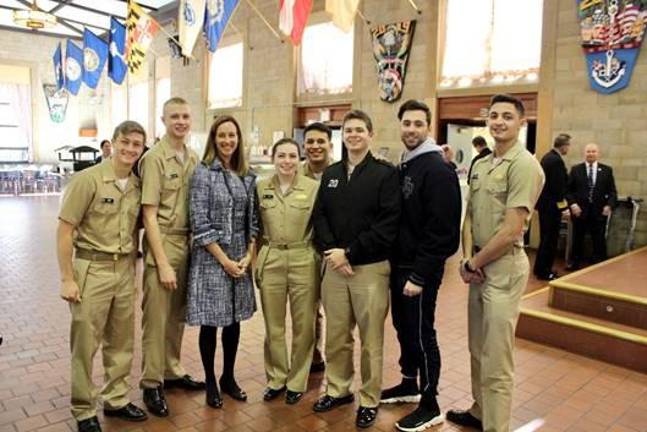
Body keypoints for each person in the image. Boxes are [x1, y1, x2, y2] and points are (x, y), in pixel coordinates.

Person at [447, 94, 544, 432]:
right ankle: (479, 410)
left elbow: (512, 230)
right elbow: (470, 216)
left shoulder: (525, 165)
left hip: (503, 269)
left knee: (497, 358)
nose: (499, 121)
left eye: (507, 116)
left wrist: (474, 263)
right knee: (477, 347)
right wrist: (467, 259)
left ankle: (496, 426)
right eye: (494, 116)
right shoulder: (483, 163)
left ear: (522, 123)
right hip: (479, 267)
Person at [312, 110, 401, 428]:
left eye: (359, 130)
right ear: (343, 135)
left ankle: (369, 398)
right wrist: (333, 253)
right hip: (335, 269)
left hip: (370, 269)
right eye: (348, 130)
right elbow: (319, 216)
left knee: (371, 339)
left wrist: (349, 252)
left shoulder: (385, 174)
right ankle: (338, 389)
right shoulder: (332, 173)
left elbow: (387, 224)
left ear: (370, 134)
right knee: (336, 335)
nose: (353, 135)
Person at [57, 121, 148, 432]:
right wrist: (67, 278)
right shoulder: (88, 180)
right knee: (85, 342)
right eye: (125, 142)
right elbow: (65, 230)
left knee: (122, 340)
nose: (130, 149)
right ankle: (83, 409)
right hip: (91, 268)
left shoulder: (137, 185)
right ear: (113, 142)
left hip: (124, 268)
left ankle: (117, 399)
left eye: (137, 144)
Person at [381, 100, 461, 432]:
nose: (411, 129)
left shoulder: (437, 169)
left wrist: (420, 274)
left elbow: (443, 231)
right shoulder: (407, 163)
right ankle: (408, 382)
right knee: (404, 327)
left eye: (418, 124)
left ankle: (430, 403)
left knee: (422, 332)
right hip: (400, 264)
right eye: (406, 123)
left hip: (419, 270)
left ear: (428, 127)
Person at [187, 115, 258, 409]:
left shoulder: (246, 174)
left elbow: (253, 221)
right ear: (213, 139)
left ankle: (229, 376)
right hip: (211, 258)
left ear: (239, 139)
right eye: (222, 136)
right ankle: (211, 381)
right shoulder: (203, 173)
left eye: (232, 136)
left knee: (233, 321)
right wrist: (224, 260)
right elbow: (199, 221)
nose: (228, 141)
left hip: (240, 257)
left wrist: (248, 256)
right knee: (211, 322)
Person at [139, 97, 204, 418]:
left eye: (186, 115)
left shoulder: (192, 157)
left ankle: (171, 371)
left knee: (176, 314)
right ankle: (151, 382)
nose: (181, 121)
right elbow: (148, 214)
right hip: (162, 242)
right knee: (157, 318)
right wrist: (162, 261)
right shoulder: (154, 159)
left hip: (187, 244)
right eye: (174, 116)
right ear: (163, 120)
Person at [256, 138, 320, 405]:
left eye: (292, 156)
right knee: (274, 325)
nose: (287, 161)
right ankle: (277, 378)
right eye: (281, 156)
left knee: (304, 324)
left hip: (303, 257)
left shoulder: (313, 188)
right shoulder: (260, 188)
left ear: (300, 158)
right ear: (273, 158)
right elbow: (255, 226)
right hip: (271, 256)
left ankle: (297, 380)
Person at [301, 122, 335, 373]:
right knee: (309, 308)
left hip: (336, 252)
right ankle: (312, 356)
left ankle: (338, 364)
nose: (315, 146)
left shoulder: (341, 173)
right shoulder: (296, 172)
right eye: (310, 142)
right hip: (306, 251)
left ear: (330, 145)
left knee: (337, 309)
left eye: (320, 141)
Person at [566, 143, 617, 269]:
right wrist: (572, 204)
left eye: (593, 151)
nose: (591, 154)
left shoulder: (606, 170)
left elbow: (612, 191)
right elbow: (567, 190)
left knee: (598, 238)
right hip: (579, 211)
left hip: (599, 211)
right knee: (577, 238)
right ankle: (574, 262)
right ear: (584, 153)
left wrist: (609, 205)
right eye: (588, 151)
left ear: (598, 154)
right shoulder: (576, 169)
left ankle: (599, 263)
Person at [533, 133, 571, 280]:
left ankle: (539, 268)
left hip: (544, 206)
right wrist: (564, 208)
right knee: (550, 241)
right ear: (564, 146)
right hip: (551, 208)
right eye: (568, 145)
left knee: (545, 239)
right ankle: (545, 271)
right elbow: (558, 189)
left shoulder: (547, 157)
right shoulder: (556, 161)